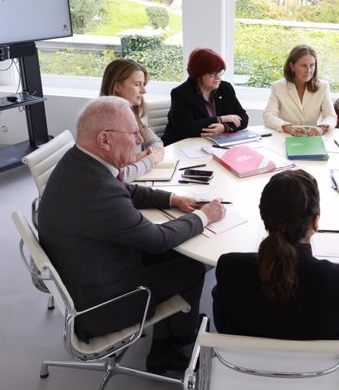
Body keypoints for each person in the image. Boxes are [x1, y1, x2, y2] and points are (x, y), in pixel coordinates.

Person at [38, 96, 226, 376]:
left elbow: (126, 192)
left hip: (91, 265)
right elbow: (157, 239)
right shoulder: (98, 193)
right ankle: (175, 349)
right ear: (104, 139)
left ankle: (173, 334)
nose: (140, 138)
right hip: (104, 304)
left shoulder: (80, 162)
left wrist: (174, 198)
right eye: (133, 133)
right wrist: (204, 216)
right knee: (193, 266)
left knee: (174, 252)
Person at [212, 169, 339, 353]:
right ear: (315, 222)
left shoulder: (229, 268)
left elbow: (224, 327)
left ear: (264, 217)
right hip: (318, 379)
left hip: (246, 375)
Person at [161, 48, 249, 145]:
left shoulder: (225, 88)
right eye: (213, 73)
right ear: (198, 74)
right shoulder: (181, 93)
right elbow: (187, 128)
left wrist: (224, 128)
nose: (218, 77)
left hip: (212, 145)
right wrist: (221, 119)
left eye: (219, 72)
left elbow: (243, 118)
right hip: (181, 146)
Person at [99, 58, 164, 182]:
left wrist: (143, 155)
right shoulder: (107, 122)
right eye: (137, 84)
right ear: (118, 86)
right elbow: (119, 176)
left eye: (143, 84)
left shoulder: (130, 111)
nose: (144, 90)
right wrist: (150, 160)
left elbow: (156, 142)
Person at [263, 45, 337, 136]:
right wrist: (288, 128)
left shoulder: (323, 86)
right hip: (287, 136)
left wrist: (321, 128)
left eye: (312, 65)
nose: (308, 70)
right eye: (303, 66)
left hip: (312, 137)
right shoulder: (278, 87)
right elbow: (268, 115)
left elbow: (331, 116)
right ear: (292, 66)